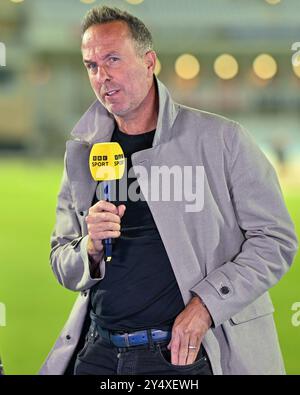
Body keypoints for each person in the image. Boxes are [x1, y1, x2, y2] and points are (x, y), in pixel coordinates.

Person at [40, 6, 298, 375]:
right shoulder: (83, 153)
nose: (102, 76)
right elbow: (61, 262)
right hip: (98, 353)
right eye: (91, 65)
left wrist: (207, 306)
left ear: (149, 62)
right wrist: (90, 248)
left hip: (183, 357)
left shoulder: (220, 139)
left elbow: (275, 239)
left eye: (112, 58)